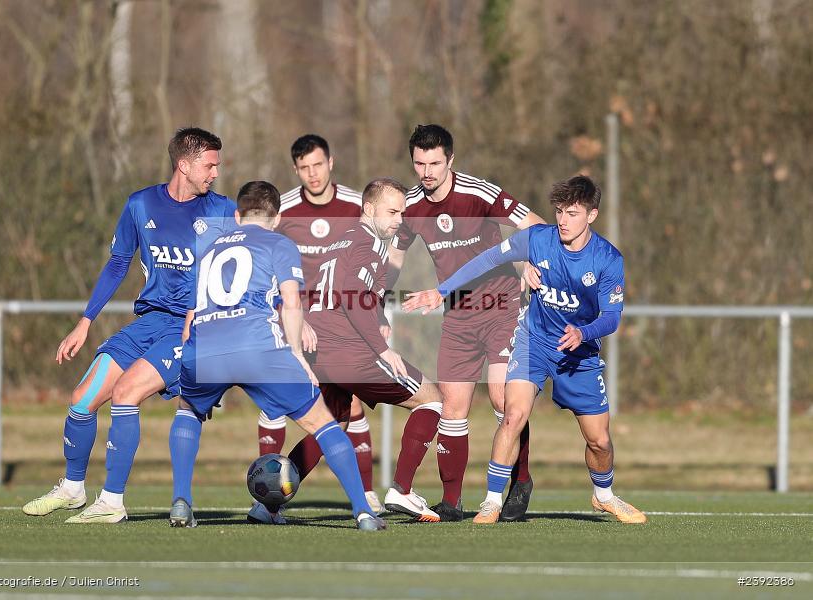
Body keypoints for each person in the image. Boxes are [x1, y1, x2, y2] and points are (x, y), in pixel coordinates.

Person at [22, 127, 236, 523]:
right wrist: (85, 321)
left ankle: (112, 502)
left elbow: (241, 271)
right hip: (147, 322)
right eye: (209, 165)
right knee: (81, 399)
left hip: (188, 329)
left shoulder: (222, 211)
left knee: (125, 394)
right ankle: (72, 489)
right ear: (184, 165)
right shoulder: (140, 205)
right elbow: (118, 263)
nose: (215, 174)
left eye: (216, 166)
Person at [404, 175, 646, 525]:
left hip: (579, 355)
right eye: (560, 212)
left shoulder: (608, 259)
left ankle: (604, 496)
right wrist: (441, 291)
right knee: (512, 414)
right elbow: (485, 260)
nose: (563, 220)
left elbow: (611, 318)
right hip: (533, 342)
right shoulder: (538, 239)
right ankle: (490, 501)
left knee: (599, 441)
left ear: (592, 215)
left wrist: (583, 332)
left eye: (573, 214)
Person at [174, 180, 386, 531]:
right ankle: (363, 512)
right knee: (323, 422)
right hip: (259, 347)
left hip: (205, 347)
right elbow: (291, 303)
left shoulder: (209, 248)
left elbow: (193, 313)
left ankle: (181, 502)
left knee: (187, 411)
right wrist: (298, 356)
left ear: (238, 216)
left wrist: (192, 361)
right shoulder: (279, 242)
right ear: (278, 217)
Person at [258, 178, 445, 524]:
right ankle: (401, 489)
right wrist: (380, 347)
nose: (398, 220)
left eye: (403, 213)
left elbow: (336, 291)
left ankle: (267, 505)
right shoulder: (367, 245)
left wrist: (374, 315)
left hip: (323, 351)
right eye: (391, 212)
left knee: (331, 425)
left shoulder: (340, 241)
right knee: (431, 399)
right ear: (369, 209)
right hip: (351, 351)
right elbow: (350, 295)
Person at [387, 124, 544, 521]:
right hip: (457, 314)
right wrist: (372, 294)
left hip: (502, 306)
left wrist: (530, 260)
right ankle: (452, 502)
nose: (426, 171)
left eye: (434, 163)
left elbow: (536, 226)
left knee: (500, 397)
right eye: (419, 163)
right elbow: (393, 259)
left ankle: (520, 480)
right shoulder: (410, 206)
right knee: (452, 406)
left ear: (450, 160)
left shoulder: (480, 193)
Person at [255, 134, 381, 514]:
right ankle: (268, 498)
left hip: (345, 325)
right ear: (295, 170)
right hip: (295, 321)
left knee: (348, 408)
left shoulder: (358, 205)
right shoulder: (285, 209)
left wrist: (379, 316)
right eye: (304, 168)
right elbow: (261, 259)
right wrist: (289, 314)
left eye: (317, 165)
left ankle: (366, 493)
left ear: (332, 162)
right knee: (276, 406)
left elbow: (373, 263)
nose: (312, 174)